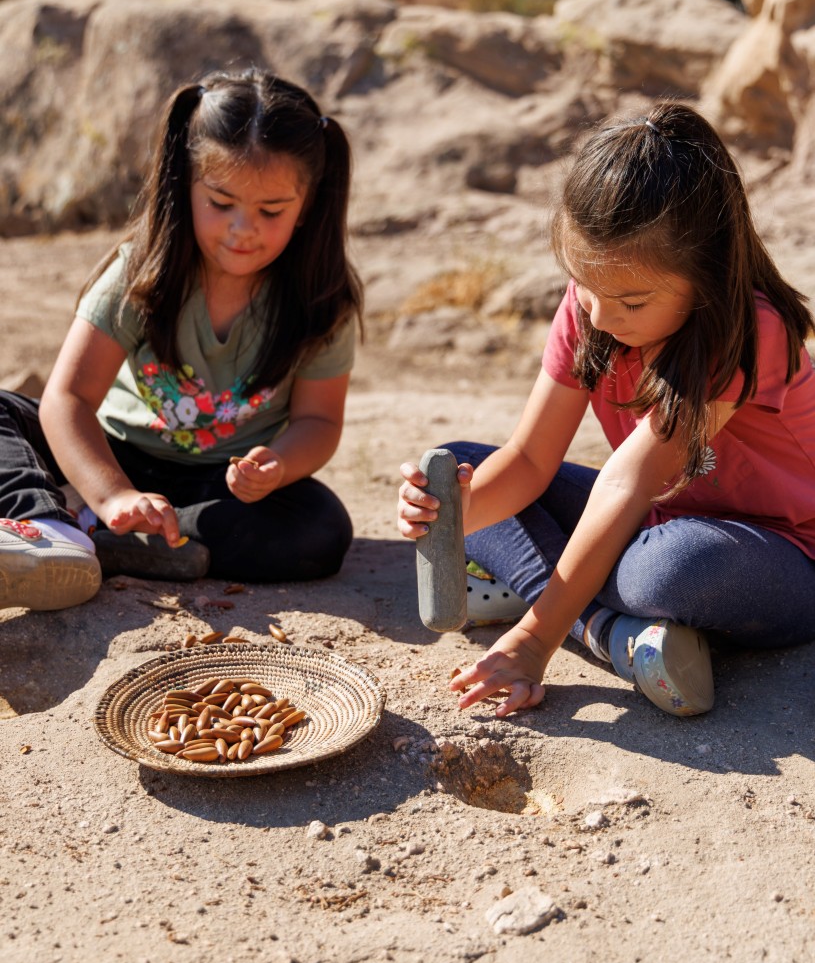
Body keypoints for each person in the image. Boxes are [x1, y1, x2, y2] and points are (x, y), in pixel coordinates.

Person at [398, 102, 815, 718]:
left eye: (631, 301)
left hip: (781, 554)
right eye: (583, 285)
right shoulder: (596, 305)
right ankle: (612, 633)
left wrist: (533, 641)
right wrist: (449, 516)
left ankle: (558, 607)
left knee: (669, 569)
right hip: (655, 518)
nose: (597, 314)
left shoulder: (750, 328)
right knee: (459, 466)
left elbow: (629, 479)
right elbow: (531, 458)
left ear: (706, 272)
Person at [0, 68, 363, 611]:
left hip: (222, 486)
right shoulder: (139, 273)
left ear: (307, 204)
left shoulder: (321, 303)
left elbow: (319, 421)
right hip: (112, 456)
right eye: (220, 203)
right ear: (184, 183)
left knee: (322, 532)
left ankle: (129, 536)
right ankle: (57, 531)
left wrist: (279, 466)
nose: (243, 230)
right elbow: (69, 399)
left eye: (271, 211)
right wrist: (114, 493)